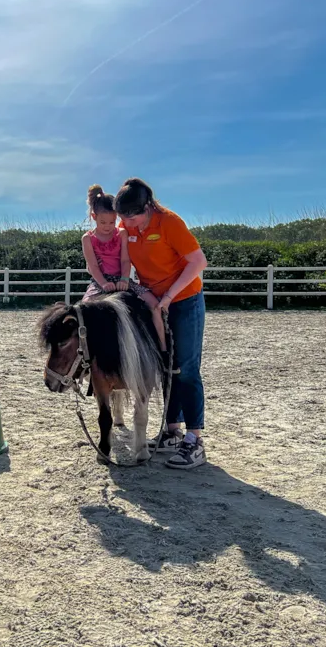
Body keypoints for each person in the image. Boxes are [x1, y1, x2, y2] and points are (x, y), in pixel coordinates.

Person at [115, 178, 209, 470]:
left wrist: (169, 295)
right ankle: (172, 430)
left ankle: (194, 440)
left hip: (185, 300)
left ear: (148, 207)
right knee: (166, 366)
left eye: (132, 216)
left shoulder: (169, 223)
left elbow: (198, 262)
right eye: (122, 217)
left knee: (187, 369)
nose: (127, 222)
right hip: (152, 303)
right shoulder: (127, 228)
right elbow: (126, 263)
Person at [81, 184, 168, 358]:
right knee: (84, 311)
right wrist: (104, 283)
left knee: (155, 305)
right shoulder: (88, 239)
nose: (108, 226)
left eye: (112, 222)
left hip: (123, 279)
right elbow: (93, 266)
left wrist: (123, 278)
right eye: (103, 222)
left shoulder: (121, 234)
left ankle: (162, 349)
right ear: (94, 217)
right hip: (100, 280)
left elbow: (125, 259)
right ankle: (86, 357)